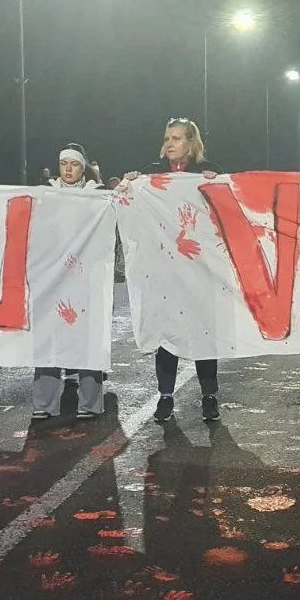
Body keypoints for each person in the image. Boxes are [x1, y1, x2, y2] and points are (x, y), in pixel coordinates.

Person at [123, 118, 223, 423]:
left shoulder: (206, 172)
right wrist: (129, 185)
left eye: (176, 138)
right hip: (164, 269)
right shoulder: (151, 174)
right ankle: (165, 396)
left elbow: (222, 213)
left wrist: (215, 184)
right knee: (166, 332)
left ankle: (209, 396)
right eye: (167, 138)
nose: (169, 144)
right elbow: (131, 209)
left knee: (203, 333)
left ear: (190, 143)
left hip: (198, 269)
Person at [33, 143, 109, 420]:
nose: (68, 169)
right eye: (63, 163)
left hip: (86, 278)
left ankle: (89, 403)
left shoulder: (97, 196)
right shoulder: (46, 194)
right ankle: (44, 403)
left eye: (74, 164)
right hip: (53, 279)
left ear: (82, 168)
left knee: (88, 337)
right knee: (48, 336)